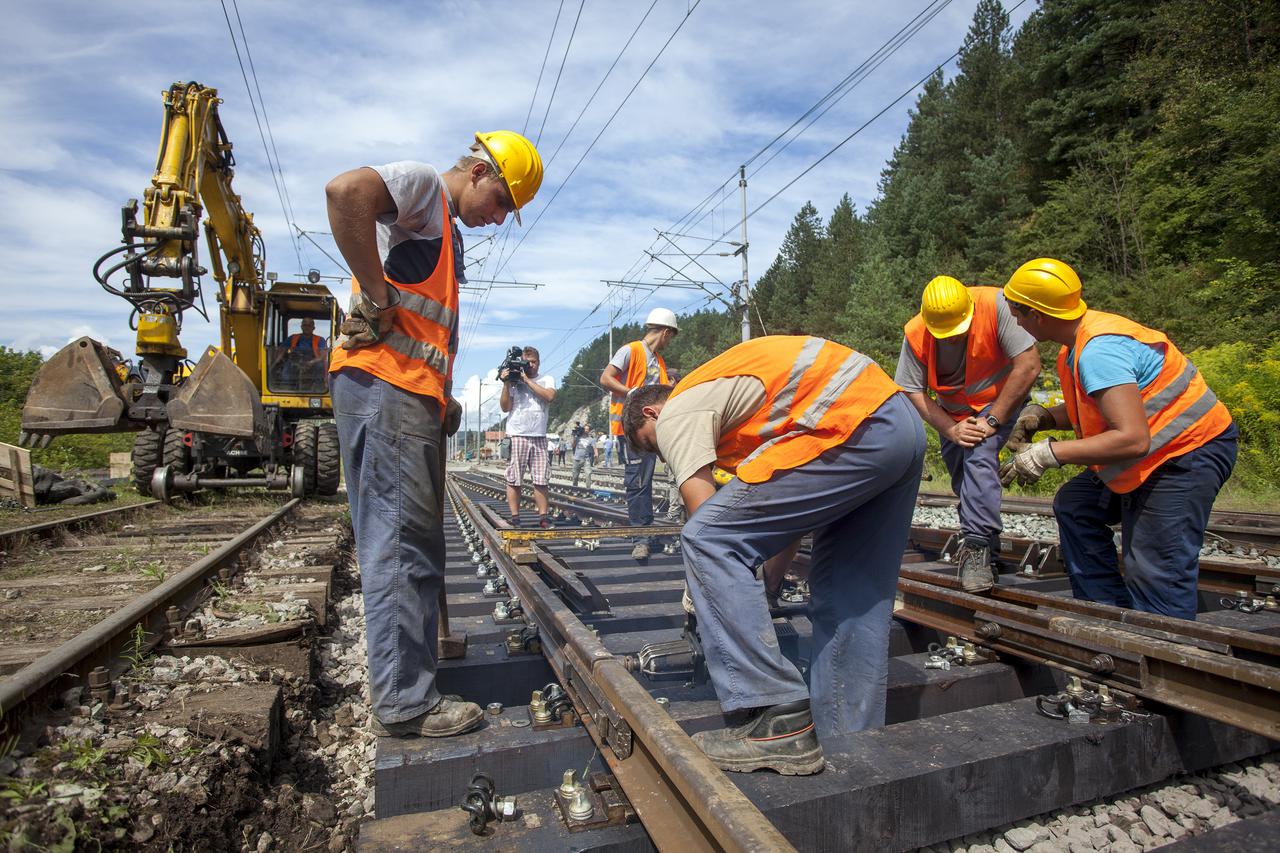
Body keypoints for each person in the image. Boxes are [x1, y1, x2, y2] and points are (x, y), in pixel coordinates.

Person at [622, 335, 924, 775]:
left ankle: (778, 723)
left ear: (651, 413)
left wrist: (704, 594)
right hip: (896, 426)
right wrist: (764, 588)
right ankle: (851, 751)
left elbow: (708, 528)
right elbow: (786, 520)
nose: (661, 455)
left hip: (849, 425)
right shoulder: (746, 413)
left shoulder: (679, 408)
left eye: (650, 445)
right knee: (850, 603)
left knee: (706, 539)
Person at [326, 130, 543, 738]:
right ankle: (403, 701)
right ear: (478, 171)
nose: (497, 219)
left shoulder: (442, 227)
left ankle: (410, 681)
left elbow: (421, 328)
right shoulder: (423, 189)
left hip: (409, 394)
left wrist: (442, 396)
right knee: (399, 542)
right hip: (385, 388)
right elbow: (346, 193)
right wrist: (375, 291)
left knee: (415, 542)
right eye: (501, 202)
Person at [999, 258, 1237, 621]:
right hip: (1156, 451)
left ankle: (1163, 648)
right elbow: (1096, 407)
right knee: (1076, 504)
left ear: (1038, 315)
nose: (1013, 319)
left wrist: (1048, 454)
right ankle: (1107, 616)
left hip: (1187, 452)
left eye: (1017, 310)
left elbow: (1131, 440)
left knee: (1154, 564)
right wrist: (1042, 417)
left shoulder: (1097, 351)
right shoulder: (1076, 344)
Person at [897, 276, 1040, 591]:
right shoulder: (917, 331)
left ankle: (976, 547)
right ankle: (989, 541)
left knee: (978, 453)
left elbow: (1028, 366)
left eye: (957, 333)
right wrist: (949, 428)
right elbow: (911, 390)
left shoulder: (996, 305)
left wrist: (992, 419)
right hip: (954, 414)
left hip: (1001, 401)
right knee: (962, 474)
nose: (951, 340)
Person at [600, 308, 678, 560]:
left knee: (646, 481)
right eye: (671, 338)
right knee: (637, 482)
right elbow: (606, 378)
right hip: (630, 429)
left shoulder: (660, 362)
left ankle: (648, 530)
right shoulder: (630, 350)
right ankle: (641, 537)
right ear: (665, 332)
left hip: (652, 431)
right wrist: (630, 391)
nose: (669, 343)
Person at [501, 346, 556, 527]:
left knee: (541, 479)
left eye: (534, 362)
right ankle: (515, 517)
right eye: (527, 362)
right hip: (517, 434)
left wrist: (526, 380)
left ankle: (543, 517)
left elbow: (549, 396)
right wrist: (506, 383)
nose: (531, 365)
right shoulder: (514, 382)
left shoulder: (546, 379)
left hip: (539, 435)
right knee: (514, 478)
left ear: (539, 363)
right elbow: (505, 407)